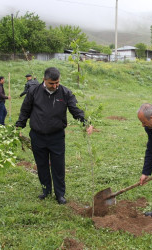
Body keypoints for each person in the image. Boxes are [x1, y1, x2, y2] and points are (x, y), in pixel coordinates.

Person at [15, 67, 93, 204]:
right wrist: (18, 126)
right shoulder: (33, 91)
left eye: (57, 82)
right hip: (37, 136)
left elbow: (75, 109)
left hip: (56, 136)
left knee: (58, 166)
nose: (55, 86)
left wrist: (86, 122)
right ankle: (46, 190)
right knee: (42, 164)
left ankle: (60, 194)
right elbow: (25, 110)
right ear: (44, 80)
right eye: (52, 83)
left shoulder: (65, 92)